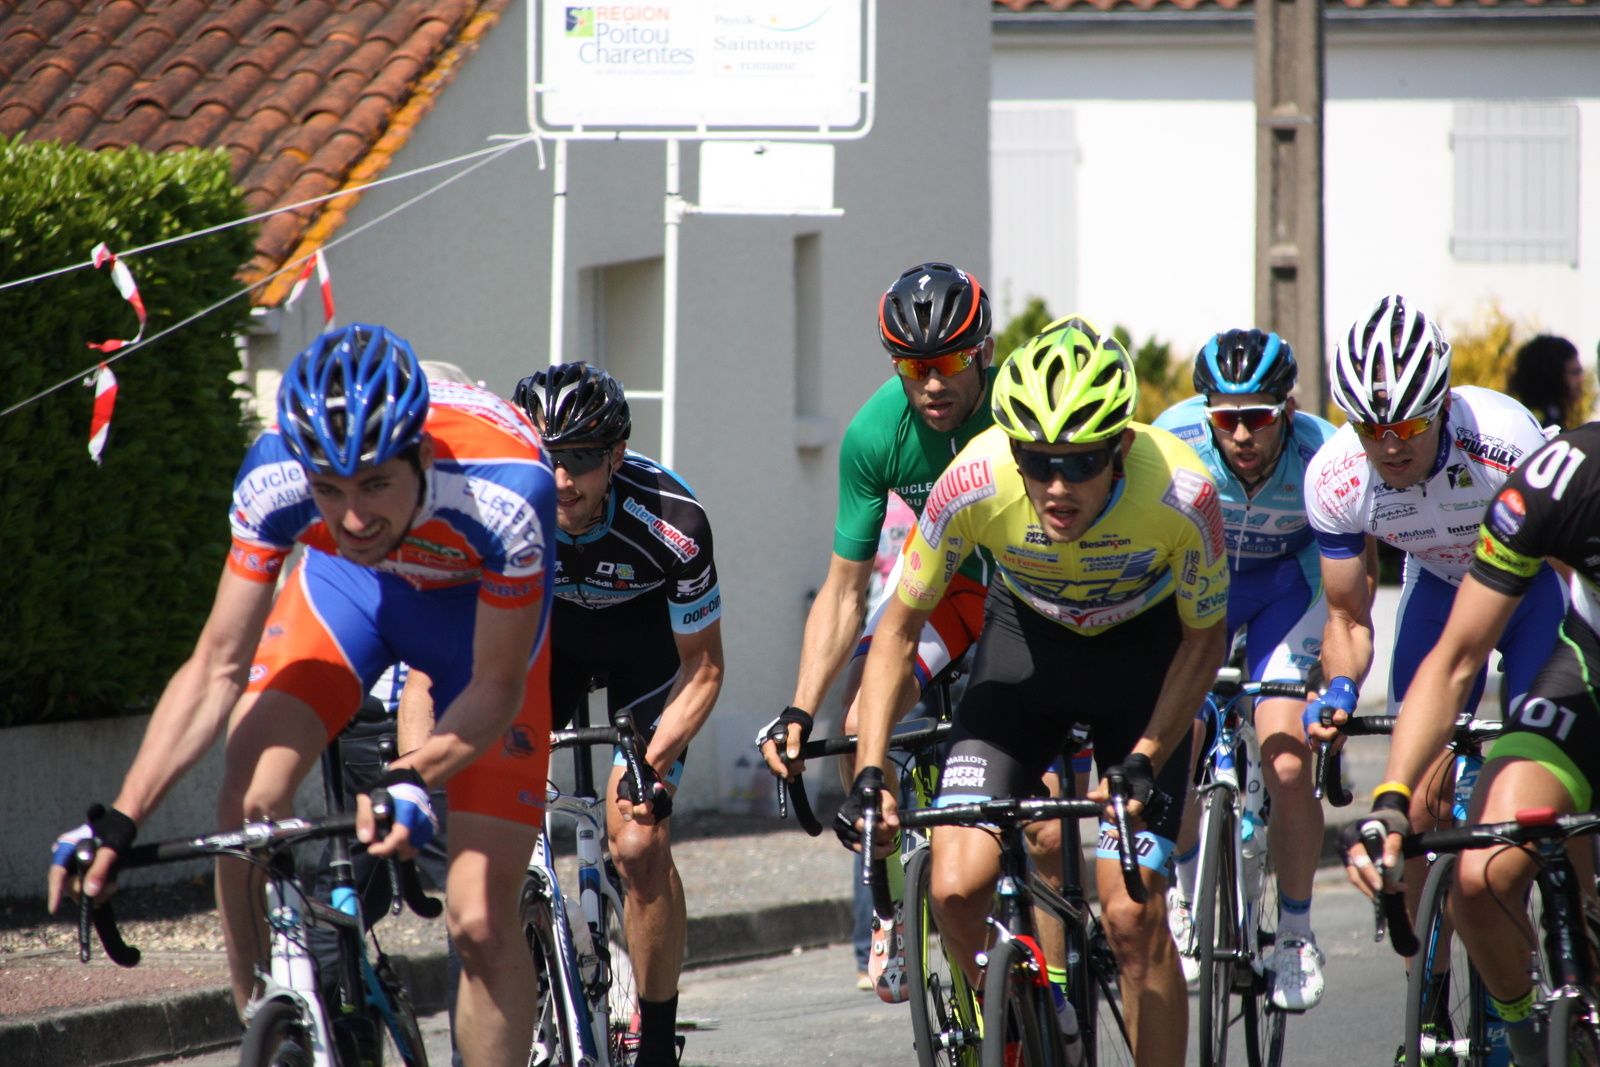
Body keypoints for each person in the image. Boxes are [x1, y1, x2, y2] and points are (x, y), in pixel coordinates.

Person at [48, 323, 558, 1067]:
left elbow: (498, 685)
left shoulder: (507, 488)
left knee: (479, 920)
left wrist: (412, 775)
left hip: (473, 616)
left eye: (377, 483)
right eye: (330, 489)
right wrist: (122, 819)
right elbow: (216, 664)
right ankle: (272, 1017)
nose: (352, 516)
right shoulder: (275, 473)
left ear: (420, 455)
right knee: (248, 798)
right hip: (349, 591)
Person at [843, 318, 1231, 1067]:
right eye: (1037, 461)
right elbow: (896, 629)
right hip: (1026, 653)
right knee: (955, 889)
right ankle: (1019, 1025)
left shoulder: (1182, 492)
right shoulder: (974, 482)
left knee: (1131, 912)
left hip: (1141, 668)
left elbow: (1203, 640)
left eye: (1080, 463)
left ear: (1120, 447)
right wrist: (870, 770)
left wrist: (1148, 753)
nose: (1056, 487)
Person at [757, 261, 998, 999]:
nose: (933, 382)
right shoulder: (873, 433)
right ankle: (891, 894)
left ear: (984, 350)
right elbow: (845, 587)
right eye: (915, 364)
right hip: (948, 590)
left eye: (951, 360)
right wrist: (801, 705)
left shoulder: (1016, 412)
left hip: (1029, 590)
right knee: (861, 717)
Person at [1343, 425, 1600, 1066]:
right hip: (1592, 674)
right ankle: (1529, 1043)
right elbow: (1457, 659)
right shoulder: (1558, 478)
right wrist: (1392, 801)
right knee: (1479, 875)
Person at [1302, 295, 1565, 919]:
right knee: (1414, 804)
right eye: (1371, 429)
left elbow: (1569, 568)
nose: (1389, 447)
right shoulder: (1335, 477)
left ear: (1442, 406)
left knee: (1545, 793)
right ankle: (1429, 997)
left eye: (1409, 428)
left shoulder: (1503, 440)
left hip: (1530, 589)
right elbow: (1346, 617)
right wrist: (1340, 685)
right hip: (1442, 587)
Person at [509, 361, 724, 1067]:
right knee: (493, 832)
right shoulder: (505, 511)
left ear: (616, 457)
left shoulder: (674, 522)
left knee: (636, 843)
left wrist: (650, 767)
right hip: (552, 650)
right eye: (547, 458)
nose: (561, 478)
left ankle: (656, 1042)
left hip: (649, 657)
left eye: (580, 459)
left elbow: (704, 668)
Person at [1151, 328, 1338, 1010]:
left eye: (1257, 416)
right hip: (1200, 592)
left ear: (1285, 411)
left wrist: (1333, 679)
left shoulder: (1323, 454)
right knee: (1177, 737)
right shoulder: (1172, 445)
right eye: (1225, 418)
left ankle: (1293, 932)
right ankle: (1178, 890)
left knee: (1287, 760)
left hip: (1289, 592)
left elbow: (1344, 585)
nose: (1241, 434)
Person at [1507, 333, 1583, 433]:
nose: (1581, 379)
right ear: (1553, 375)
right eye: (1574, 373)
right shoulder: (1538, 425)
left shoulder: (1552, 417)